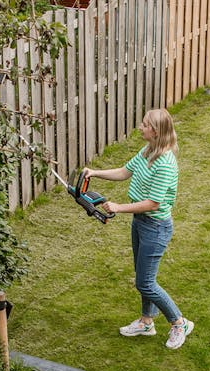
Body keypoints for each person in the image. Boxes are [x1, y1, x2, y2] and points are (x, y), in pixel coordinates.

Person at [84, 108, 193, 349]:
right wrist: (95, 172)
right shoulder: (148, 151)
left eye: (144, 125)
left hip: (155, 228)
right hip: (141, 223)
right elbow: (125, 171)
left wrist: (119, 207)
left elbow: (153, 203)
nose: (140, 127)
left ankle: (179, 322)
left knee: (145, 283)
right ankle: (146, 322)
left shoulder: (165, 163)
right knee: (144, 277)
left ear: (155, 131)